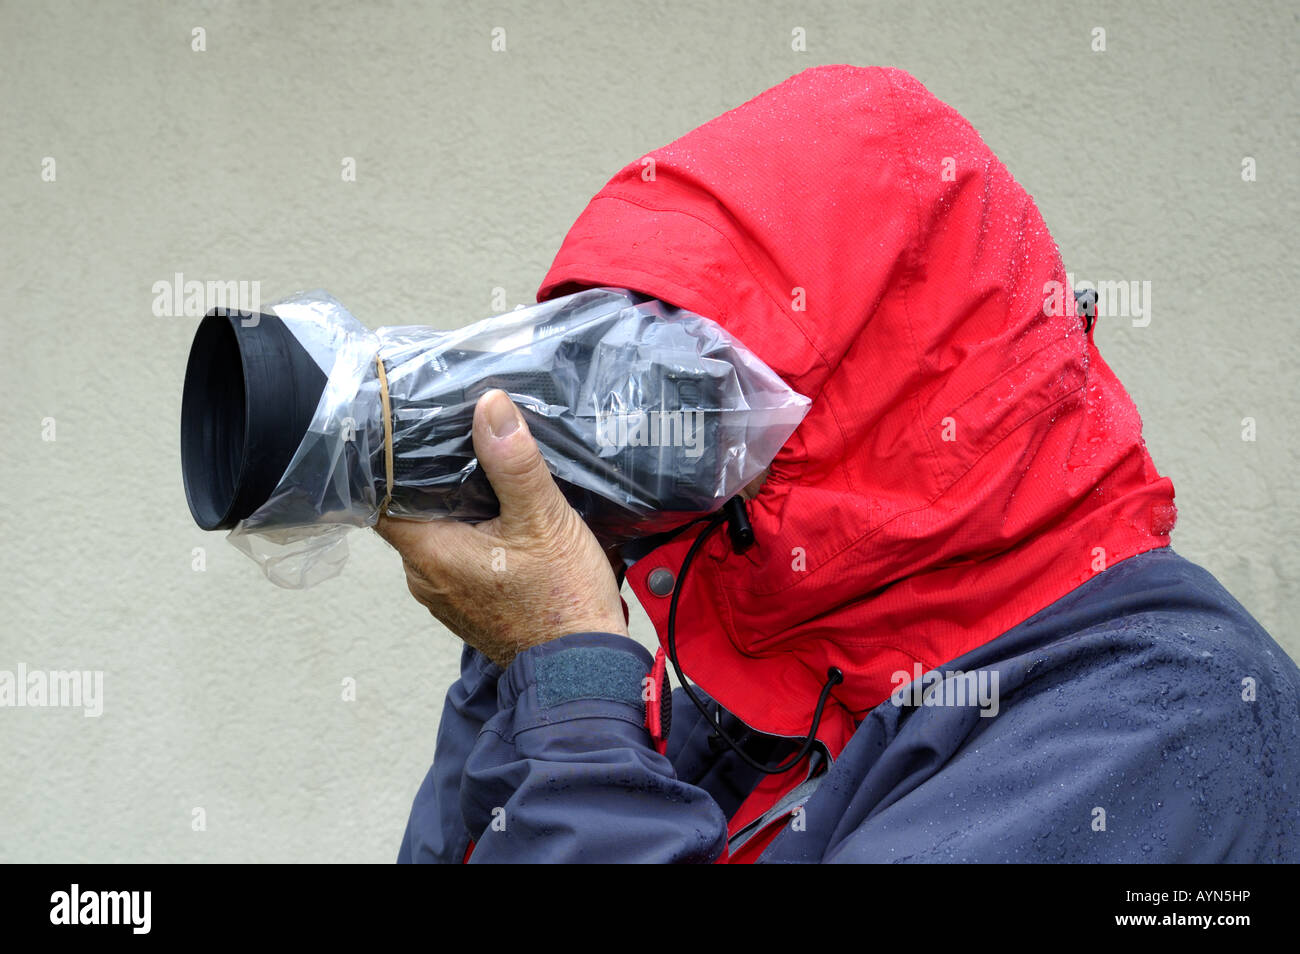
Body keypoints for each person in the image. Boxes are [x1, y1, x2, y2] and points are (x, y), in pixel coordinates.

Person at [380, 66, 1300, 863]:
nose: (646, 418)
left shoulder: (1181, 723)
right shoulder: (764, 668)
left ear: (877, 393)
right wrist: (522, 660)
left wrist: (567, 678)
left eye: (700, 370)